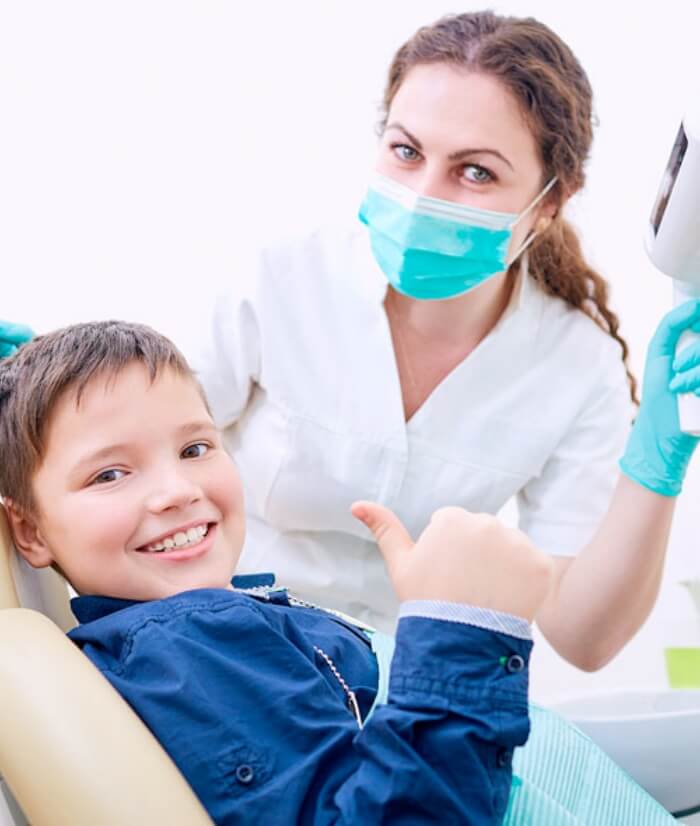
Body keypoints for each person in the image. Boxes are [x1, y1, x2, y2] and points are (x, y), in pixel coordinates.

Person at [4, 11, 700, 672]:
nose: (425, 193)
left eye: (476, 171)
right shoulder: (283, 280)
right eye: (406, 151)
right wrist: (34, 399)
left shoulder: (575, 364)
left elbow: (581, 636)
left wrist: (658, 468)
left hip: (395, 681)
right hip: (221, 647)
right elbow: (129, 446)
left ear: (549, 200)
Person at [0, 320, 552, 825]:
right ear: (30, 532)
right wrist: (461, 631)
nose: (178, 490)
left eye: (195, 447)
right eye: (110, 474)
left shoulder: (178, 636)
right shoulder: (193, 644)